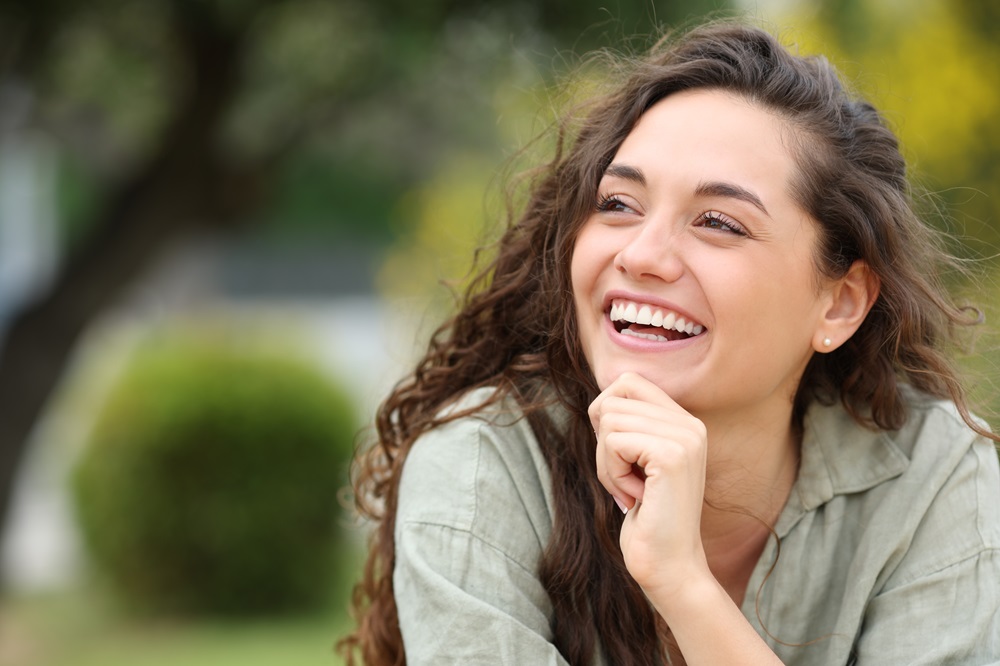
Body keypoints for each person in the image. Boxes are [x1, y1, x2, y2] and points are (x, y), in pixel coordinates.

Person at [338, 21, 1000, 666]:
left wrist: (682, 583)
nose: (641, 254)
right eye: (619, 204)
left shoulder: (933, 473)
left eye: (717, 222)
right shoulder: (482, 462)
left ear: (841, 302)